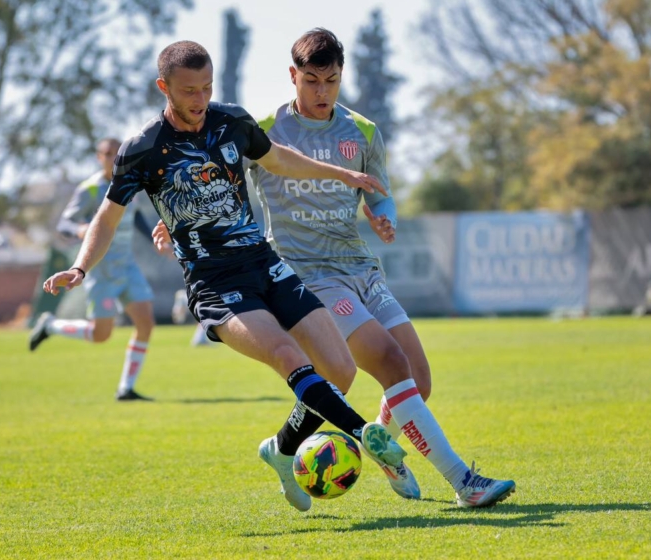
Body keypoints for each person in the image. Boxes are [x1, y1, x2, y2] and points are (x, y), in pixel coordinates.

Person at [154, 29, 515, 510]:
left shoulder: (362, 131)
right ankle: (462, 481)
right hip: (306, 275)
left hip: (362, 269)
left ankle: (290, 448)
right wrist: (172, 222)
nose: (321, 92)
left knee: (417, 382)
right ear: (292, 77)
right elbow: (207, 179)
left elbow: (379, 190)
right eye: (311, 81)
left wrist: (384, 215)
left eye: (331, 81)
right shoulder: (261, 128)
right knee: (389, 361)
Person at [42, 40, 410, 480]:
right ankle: (367, 433)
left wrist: (343, 173)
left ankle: (280, 450)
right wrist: (81, 267)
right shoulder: (142, 148)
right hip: (214, 282)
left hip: (264, 263)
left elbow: (278, 159)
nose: (200, 100)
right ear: (165, 87)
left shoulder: (232, 120)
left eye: (207, 87)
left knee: (340, 369)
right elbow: (106, 214)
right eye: (189, 91)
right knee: (286, 353)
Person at [29, 138, 157, 402]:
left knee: (145, 323)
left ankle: (126, 388)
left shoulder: (128, 182)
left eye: (117, 153)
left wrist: (156, 239)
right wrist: (78, 229)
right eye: (107, 154)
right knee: (101, 335)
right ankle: (51, 325)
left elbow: (136, 218)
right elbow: (64, 223)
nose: (112, 158)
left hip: (127, 267)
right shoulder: (89, 189)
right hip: (100, 271)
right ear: (99, 157)